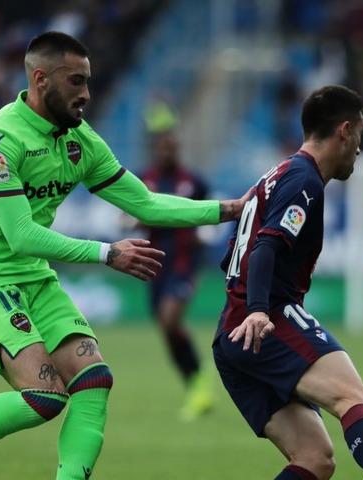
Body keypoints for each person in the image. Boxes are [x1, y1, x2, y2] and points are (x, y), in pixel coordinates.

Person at [0, 31, 246, 480]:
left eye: (88, 81)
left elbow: (146, 203)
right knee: (44, 397)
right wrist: (106, 253)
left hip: (33, 278)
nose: (86, 94)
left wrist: (229, 209)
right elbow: (20, 234)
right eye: (76, 82)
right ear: (41, 80)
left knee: (94, 380)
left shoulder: (82, 141)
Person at [213, 85, 363, 480]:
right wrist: (259, 311)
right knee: (358, 398)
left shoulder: (278, 174)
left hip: (232, 337)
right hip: (263, 323)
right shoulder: (305, 180)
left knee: (315, 458)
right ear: (344, 131)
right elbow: (266, 247)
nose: (359, 149)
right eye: (360, 135)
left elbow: (236, 254)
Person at [138, 104, 214, 421]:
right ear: (155, 149)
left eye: (171, 145)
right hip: (154, 264)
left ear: (177, 148)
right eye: (161, 145)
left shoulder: (194, 182)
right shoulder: (143, 180)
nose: (167, 150)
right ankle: (196, 383)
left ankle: (199, 382)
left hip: (184, 263)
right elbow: (130, 213)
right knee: (167, 328)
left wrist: (204, 239)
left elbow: (209, 219)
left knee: (171, 320)